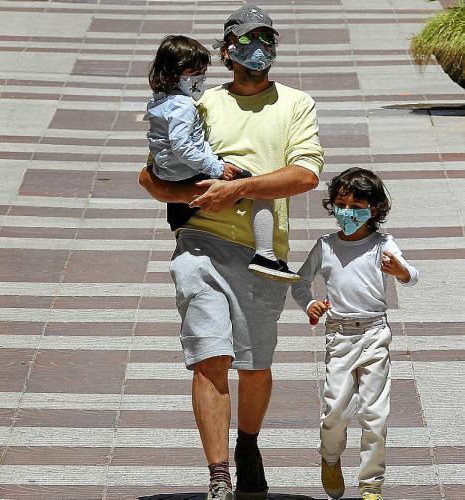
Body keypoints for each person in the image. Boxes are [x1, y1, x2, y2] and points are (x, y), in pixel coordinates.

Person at [139, 5, 324, 499]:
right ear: (226, 51)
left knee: (255, 365)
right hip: (199, 245)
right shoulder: (200, 102)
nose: (258, 49)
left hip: (263, 254)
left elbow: (306, 174)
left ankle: (248, 445)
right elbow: (150, 177)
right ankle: (218, 474)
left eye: (267, 39)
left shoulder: (296, 104)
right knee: (210, 355)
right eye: (247, 40)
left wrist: (239, 189)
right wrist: (199, 196)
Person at [291, 167, 419, 500]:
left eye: (356, 207)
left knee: (375, 414)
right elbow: (300, 282)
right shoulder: (326, 246)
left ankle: (371, 484)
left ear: (373, 209)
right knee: (335, 410)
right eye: (340, 205)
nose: (347, 213)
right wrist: (310, 304)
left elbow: (411, 274)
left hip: (375, 333)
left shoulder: (382, 244)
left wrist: (400, 271)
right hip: (340, 336)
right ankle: (330, 457)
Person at [145, 34, 298, 282]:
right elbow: (182, 146)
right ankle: (265, 254)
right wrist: (216, 168)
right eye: (194, 74)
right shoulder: (185, 106)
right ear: (175, 75)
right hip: (184, 171)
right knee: (260, 187)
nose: (200, 80)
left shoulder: (161, 101)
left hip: (167, 171)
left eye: (203, 73)